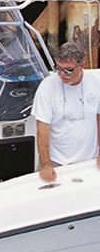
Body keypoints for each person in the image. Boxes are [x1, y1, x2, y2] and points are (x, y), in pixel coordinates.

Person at [32, 41, 100, 182]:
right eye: (58, 69)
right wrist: (46, 164)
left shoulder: (96, 82)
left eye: (68, 70)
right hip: (56, 162)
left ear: (82, 65)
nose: (62, 74)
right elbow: (42, 129)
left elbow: (99, 119)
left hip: (89, 160)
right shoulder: (47, 87)